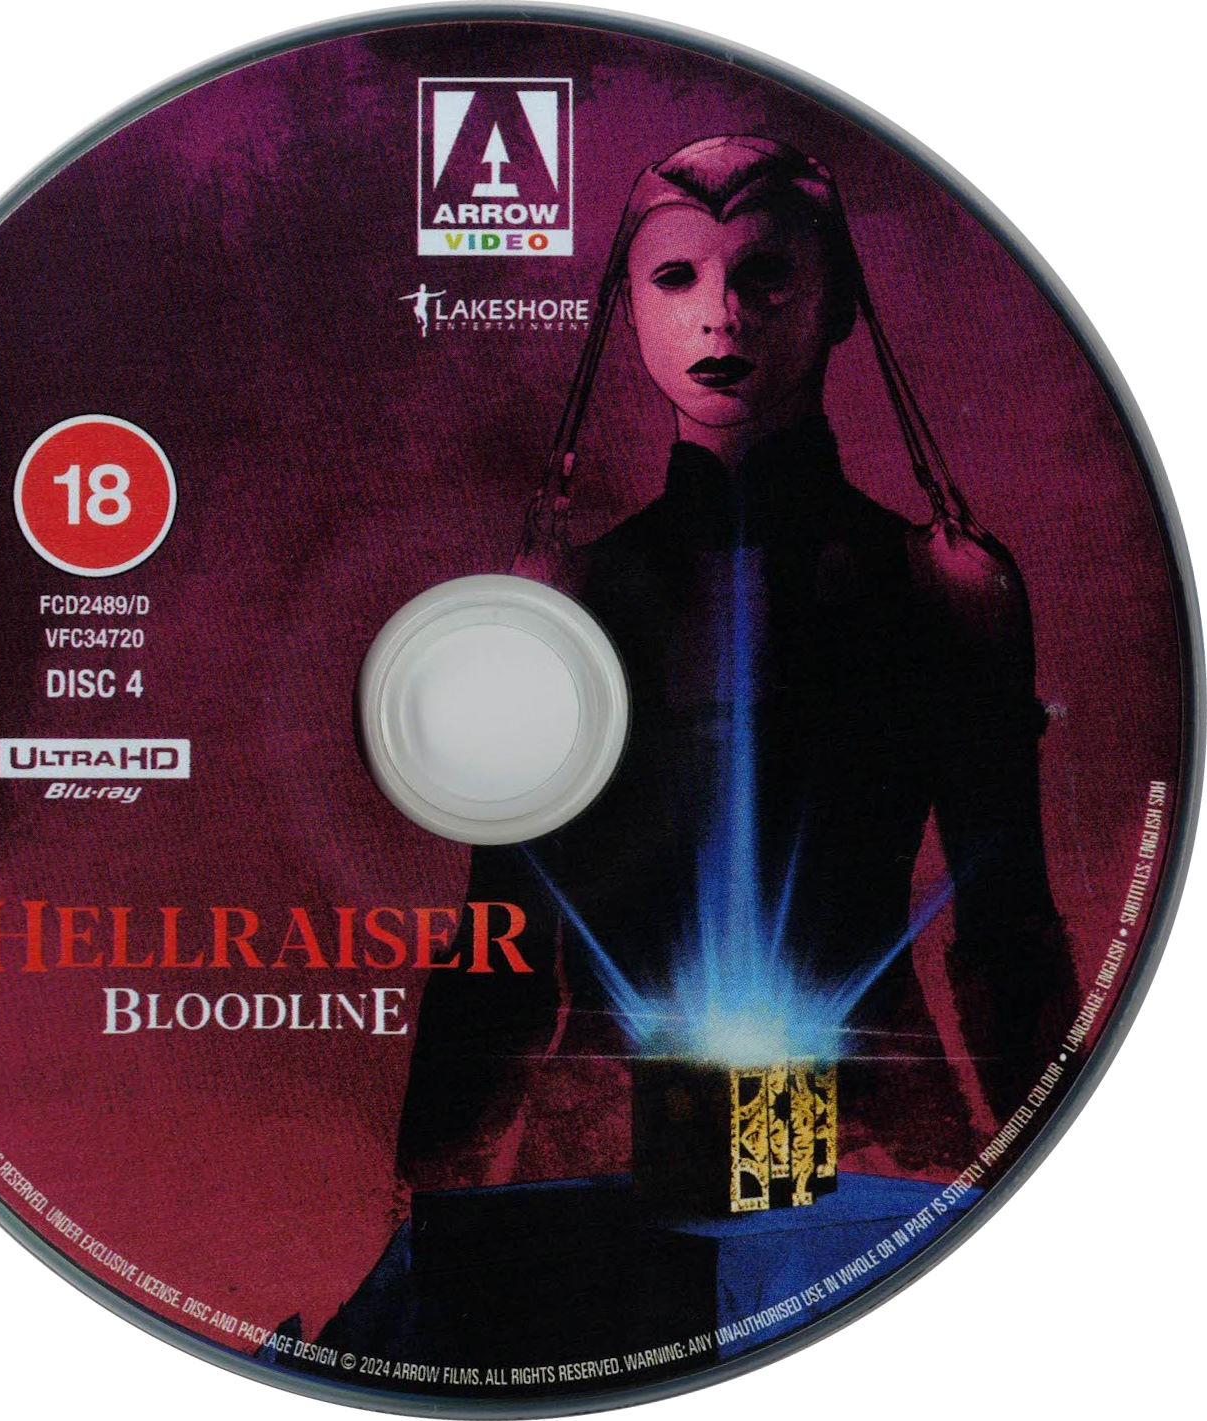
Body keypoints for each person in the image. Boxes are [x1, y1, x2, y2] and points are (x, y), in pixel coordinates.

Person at [396, 136, 1079, 1190]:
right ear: (628, 309)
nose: (720, 314)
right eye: (676, 275)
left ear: (838, 300)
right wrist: (426, 1203)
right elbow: (505, 948)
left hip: (869, 1141)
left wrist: (1060, 1179)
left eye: (765, 274)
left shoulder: (945, 586)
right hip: (605, 1150)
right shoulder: (560, 599)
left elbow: (1008, 933)